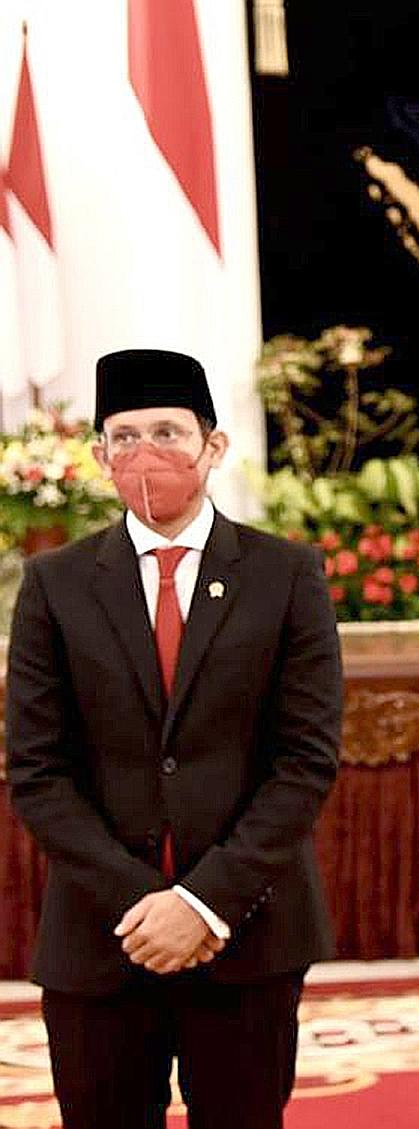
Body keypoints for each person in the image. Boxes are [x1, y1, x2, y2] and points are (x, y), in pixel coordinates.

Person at [5, 349, 344, 1129]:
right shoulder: (56, 584)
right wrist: (144, 905)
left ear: (212, 447)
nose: (144, 454)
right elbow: (37, 770)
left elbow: (305, 759)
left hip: (249, 937)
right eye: (124, 437)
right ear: (98, 456)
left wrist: (203, 903)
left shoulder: (286, 574)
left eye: (167, 431)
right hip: (101, 940)